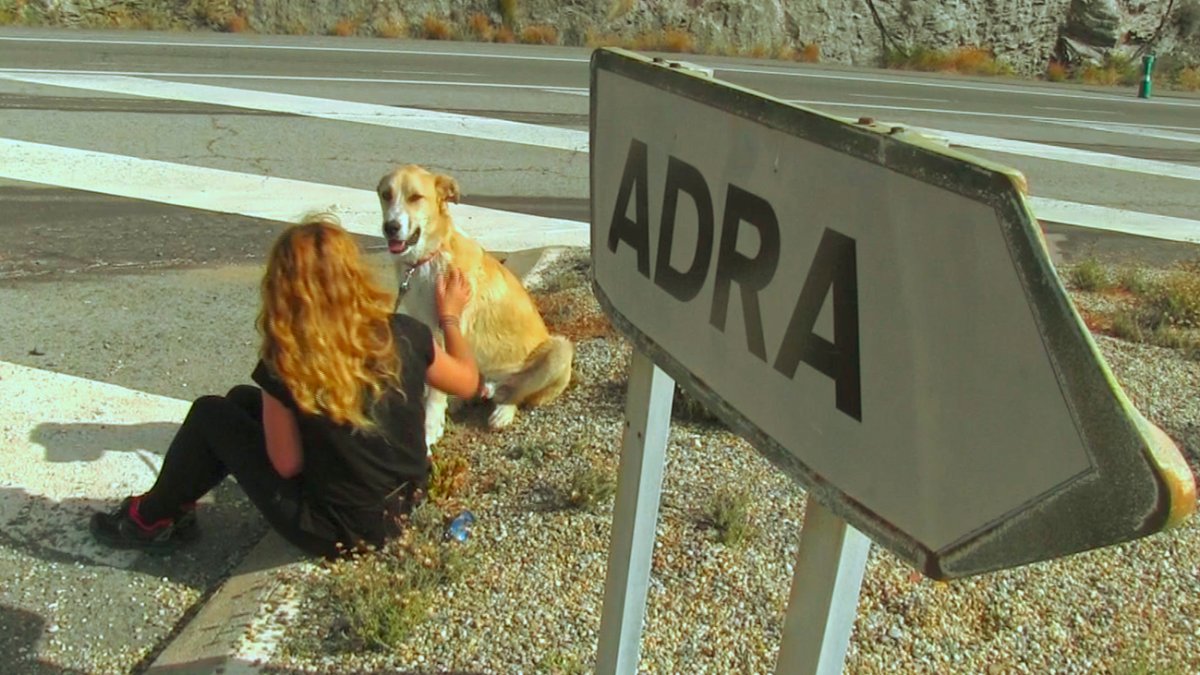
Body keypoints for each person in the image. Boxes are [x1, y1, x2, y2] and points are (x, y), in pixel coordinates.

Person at [89, 215, 480, 558]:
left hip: (339, 531)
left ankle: (150, 519)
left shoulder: (288, 360)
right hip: (408, 503)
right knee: (242, 402)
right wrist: (449, 317)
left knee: (212, 414)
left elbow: (287, 464)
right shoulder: (405, 333)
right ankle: (177, 503)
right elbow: (467, 381)